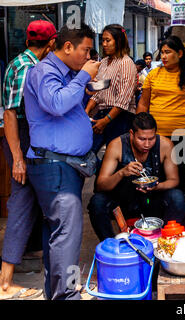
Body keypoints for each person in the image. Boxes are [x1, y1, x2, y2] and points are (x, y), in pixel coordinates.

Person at [23, 23, 100, 300]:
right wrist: (82, 79)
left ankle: (55, 293)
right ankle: (67, 295)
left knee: (57, 236)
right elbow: (55, 103)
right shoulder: (44, 71)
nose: (89, 57)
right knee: (67, 237)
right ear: (67, 47)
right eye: (86, 50)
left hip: (62, 166)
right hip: (54, 167)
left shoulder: (64, 72)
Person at [0, 20, 57, 301]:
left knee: (36, 201)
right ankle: (6, 282)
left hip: (29, 137)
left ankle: (35, 251)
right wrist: (19, 157)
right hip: (21, 137)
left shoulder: (26, 62)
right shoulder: (26, 68)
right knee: (22, 203)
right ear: (50, 45)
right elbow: (11, 114)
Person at [88, 112, 185, 241]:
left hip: (152, 199)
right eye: (142, 139)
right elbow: (101, 185)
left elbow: (174, 180)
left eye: (151, 139)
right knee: (97, 202)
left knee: (177, 197)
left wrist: (156, 187)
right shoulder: (117, 145)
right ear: (132, 133)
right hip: (123, 200)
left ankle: (166, 241)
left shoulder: (165, 145)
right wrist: (122, 172)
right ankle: (111, 245)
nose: (147, 144)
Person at [136, 35, 185, 194]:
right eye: (162, 52)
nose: (163, 56)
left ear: (180, 54)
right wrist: (137, 129)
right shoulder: (153, 75)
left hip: (183, 136)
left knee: (181, 178)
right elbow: (143, 104)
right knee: (156, 176)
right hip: (156, 137)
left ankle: (180, 212)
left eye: (168, 52)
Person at [85, 24, 137, 156]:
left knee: (116, 157)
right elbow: (99, 92)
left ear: (118, 41)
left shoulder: (126, 63)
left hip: (120, 117)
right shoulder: (104, 62)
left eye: (108, 40)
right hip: (102, 114)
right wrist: (86, 111)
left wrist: (106, 120)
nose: (104, 44)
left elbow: (123, 100)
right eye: (103, 40)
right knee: (88, 152)